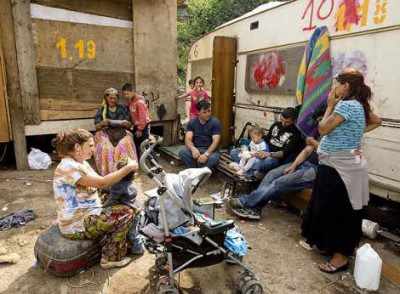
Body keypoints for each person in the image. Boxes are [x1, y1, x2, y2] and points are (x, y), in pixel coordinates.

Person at [301, 70, 382, 274]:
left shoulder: (346, 105)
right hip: (341, 166)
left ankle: (340, 258)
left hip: (340, 168)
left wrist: (330, 105)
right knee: (335, 209)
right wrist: (354, 132)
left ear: (346, 86)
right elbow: (377, 121)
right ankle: (331, 248)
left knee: (338, 212)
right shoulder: (360, 106)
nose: (333, 89)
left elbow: (323, 129)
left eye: (336, 84)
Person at [52, 129, 140, 269]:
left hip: (85, 212)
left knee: (114, 197)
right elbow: (102, 183)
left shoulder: (80, 162)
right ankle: (111, 258)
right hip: (77, 225)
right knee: (126, 212)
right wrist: (128, 168)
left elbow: (100, 182)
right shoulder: (68, 167)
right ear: (77, 147)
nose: (93, 150)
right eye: (91, 146)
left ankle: (117, 239)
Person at [228, 137, 319, 220]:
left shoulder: (331, 137)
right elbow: (306, 151)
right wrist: (294, 166)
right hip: (303, 162)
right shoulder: (324, 134)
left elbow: (329, 154)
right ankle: (256, 207)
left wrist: (314, 143)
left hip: (315, 170)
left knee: (279, 183)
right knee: (272, 174)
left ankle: (246, 202)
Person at [231, 107, 303, 178]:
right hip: (262, 151)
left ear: (294, 121)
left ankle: (247, 170)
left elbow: (285, 153)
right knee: (234, 152)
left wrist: (268, 154)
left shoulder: (296, 134)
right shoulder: (276, 125)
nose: (283, 124)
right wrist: (256, 142)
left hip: (274, 158)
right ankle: (253, 171)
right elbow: (267, 139)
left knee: (260, 162)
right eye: (282, 120)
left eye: (287, 122)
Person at [94, 88, 137, 176]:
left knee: (124, 144)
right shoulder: (102, 110)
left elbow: (129, 125)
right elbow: (96, 127)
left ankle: (126, 171)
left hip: (121, 131)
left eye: (115, 98)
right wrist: (103, 122)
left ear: (117, 98)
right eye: (110, 98)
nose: (113, 100)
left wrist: (125, 123)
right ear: (106, 98)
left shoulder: (123, 108)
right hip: (105, 132)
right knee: (106, 147)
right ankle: (108, 172)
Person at [179, 100, 221, 169]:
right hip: (197, 149)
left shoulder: (215, 122)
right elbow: (188, 139)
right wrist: (193, 149)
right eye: (204, 112)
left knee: (214, 158)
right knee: (182, 152)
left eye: (209, 111)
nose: (208, 114)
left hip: (210, 151)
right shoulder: (192, 122)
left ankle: (200, 171)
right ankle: (195, 169)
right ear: (198, 112)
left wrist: (206, 154)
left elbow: (215, 142)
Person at [122, 83, 151, 156]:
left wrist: (140, 130)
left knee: (144, 145)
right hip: (136, 126)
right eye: (124, 94)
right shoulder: (131, 101)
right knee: (136, 144)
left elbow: (143, 118)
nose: (126, 96)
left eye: (127, 94)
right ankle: (138, 161)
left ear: (133, 92)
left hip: (143, 127)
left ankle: (153, 162)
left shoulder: (139, 102)